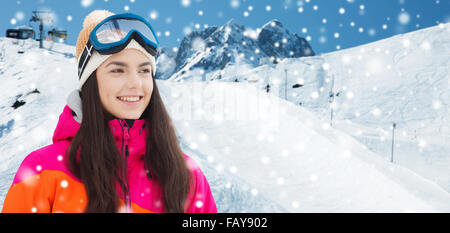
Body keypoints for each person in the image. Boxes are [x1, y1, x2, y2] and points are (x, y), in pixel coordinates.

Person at [2, 10, 217, 213]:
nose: (135, 83)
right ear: (90, 81)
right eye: (117, 70)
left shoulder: (186, 176)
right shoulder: (43, 170)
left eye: (144, 70)